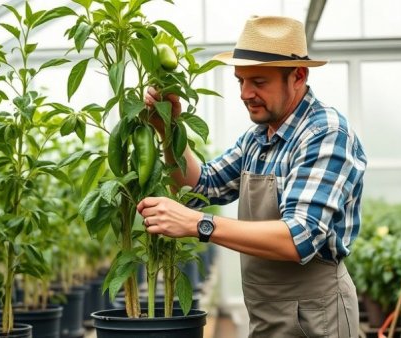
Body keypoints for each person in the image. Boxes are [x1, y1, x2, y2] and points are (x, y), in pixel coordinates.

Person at [137, 15, 367, 338]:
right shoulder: (258, 137)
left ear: (298, 76)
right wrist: (169, 129)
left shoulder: (325, 133)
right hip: (266, 316)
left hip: (318, 320)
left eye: (258, 82)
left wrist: (197, 224)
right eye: (240, 81)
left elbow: (299, 237)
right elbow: (201, 184)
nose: (245, 93)